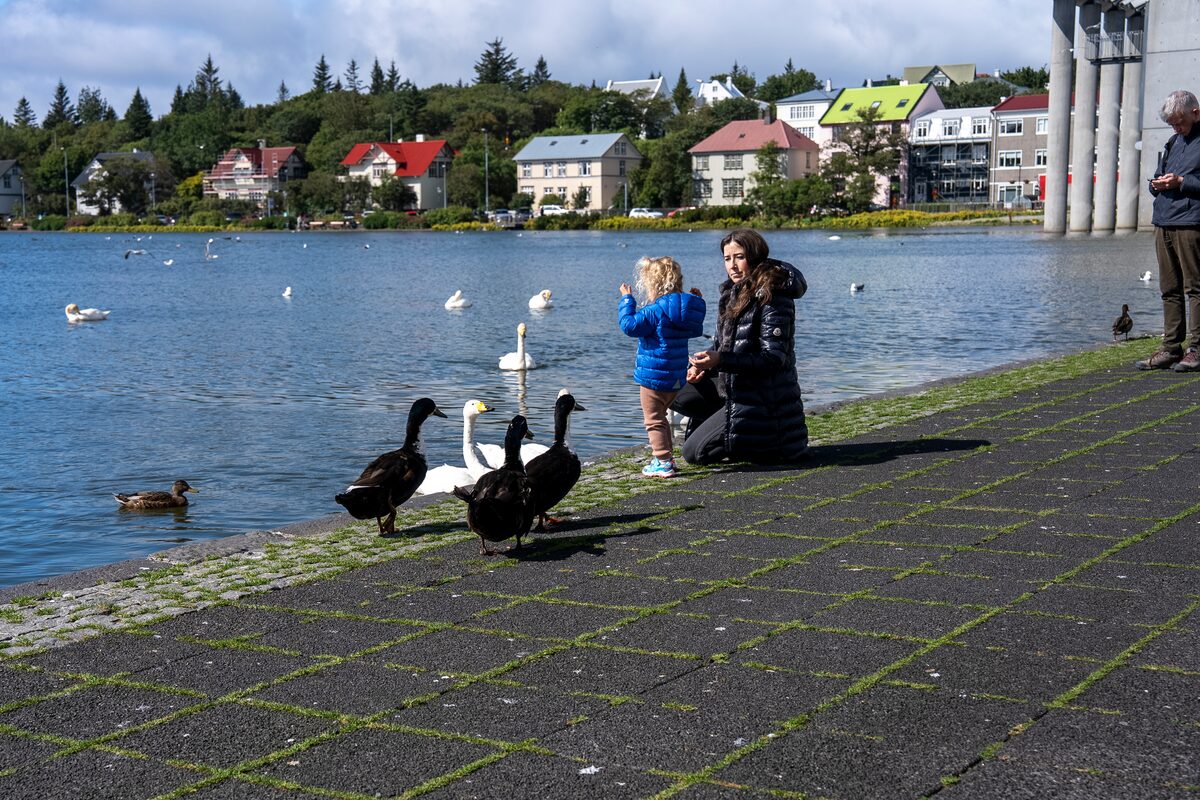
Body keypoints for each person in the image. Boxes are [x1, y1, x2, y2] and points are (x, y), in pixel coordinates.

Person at [672, 228, 809, 465]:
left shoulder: (774, 296)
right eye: (727, 259)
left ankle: (757, 440)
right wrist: (702, 367)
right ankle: (729, 424)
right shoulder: (731, 293)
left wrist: (720, 360)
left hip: (764, 399)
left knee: (693, 454)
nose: (733, 265)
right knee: (674, 389)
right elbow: (721, 346)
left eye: (739, 257)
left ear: (755, 257)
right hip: (736, 387)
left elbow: (773, 359)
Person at [618, 256, 707, 477]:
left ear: (652, 284)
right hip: (676, 376)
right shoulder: (684, 309)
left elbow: (629, 326)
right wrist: (696, 302)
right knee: (663, 417)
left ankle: (663, 461)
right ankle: (666, 457)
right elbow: (695, 328)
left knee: (654, 419)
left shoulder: (655, 311)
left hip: (653, 377)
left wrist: (627, 300)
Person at [1138, 89, 1200, 371]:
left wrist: (1182, 182)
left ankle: (1197, 349)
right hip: (1164, 220)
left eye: (1180, 122)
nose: (1176, 127)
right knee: (1168, 288)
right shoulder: (1172, 141)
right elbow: (1163, 176)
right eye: (1172, 123)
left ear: (1195, 113)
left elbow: (1188, 181)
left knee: (1196, 288)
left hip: (1191, 223)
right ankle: (1172, 348)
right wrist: (1157, 184)